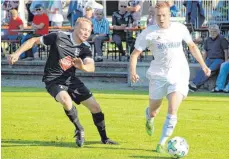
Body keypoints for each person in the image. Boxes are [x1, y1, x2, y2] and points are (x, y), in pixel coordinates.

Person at [8, 17, 117, 147]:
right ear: (75, 27)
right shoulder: (58, 36)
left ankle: (104, 138)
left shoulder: (85, 47)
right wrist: (17, 53)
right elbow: (33, 40)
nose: (86, 33)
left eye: (89, 31)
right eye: (83, 29)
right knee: (66, 100)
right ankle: (79, 128)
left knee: (95, 107)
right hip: (53, 79)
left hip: (71, 80)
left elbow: (91, 67)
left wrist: (82, 67)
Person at [129, 2, 211, 153]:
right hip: (158, 75)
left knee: (172, 110)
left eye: (164, 15)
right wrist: (133, 71)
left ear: (169, 15)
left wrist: (204, 65)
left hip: (178, 74)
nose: (161, 18)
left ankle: (162, 142)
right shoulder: (149, 32)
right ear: (153, 16)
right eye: (158, 15)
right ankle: (149, 117)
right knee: (154, 111)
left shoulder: (179, 28)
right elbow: (135, 54)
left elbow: (192, 46)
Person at [189, 24, 228, 92]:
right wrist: (202, 62)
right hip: (209, 59)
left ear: (218, 31)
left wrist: (226, 61)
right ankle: (194, 84)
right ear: (209, 31)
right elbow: (205, 52)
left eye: (215, 31)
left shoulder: (222, 39)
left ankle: (195, 84)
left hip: (219, 59)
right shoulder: (207, 40)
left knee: (209, 70)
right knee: (203, 68)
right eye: (212, 31)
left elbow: (226, 51)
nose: (213, 33)